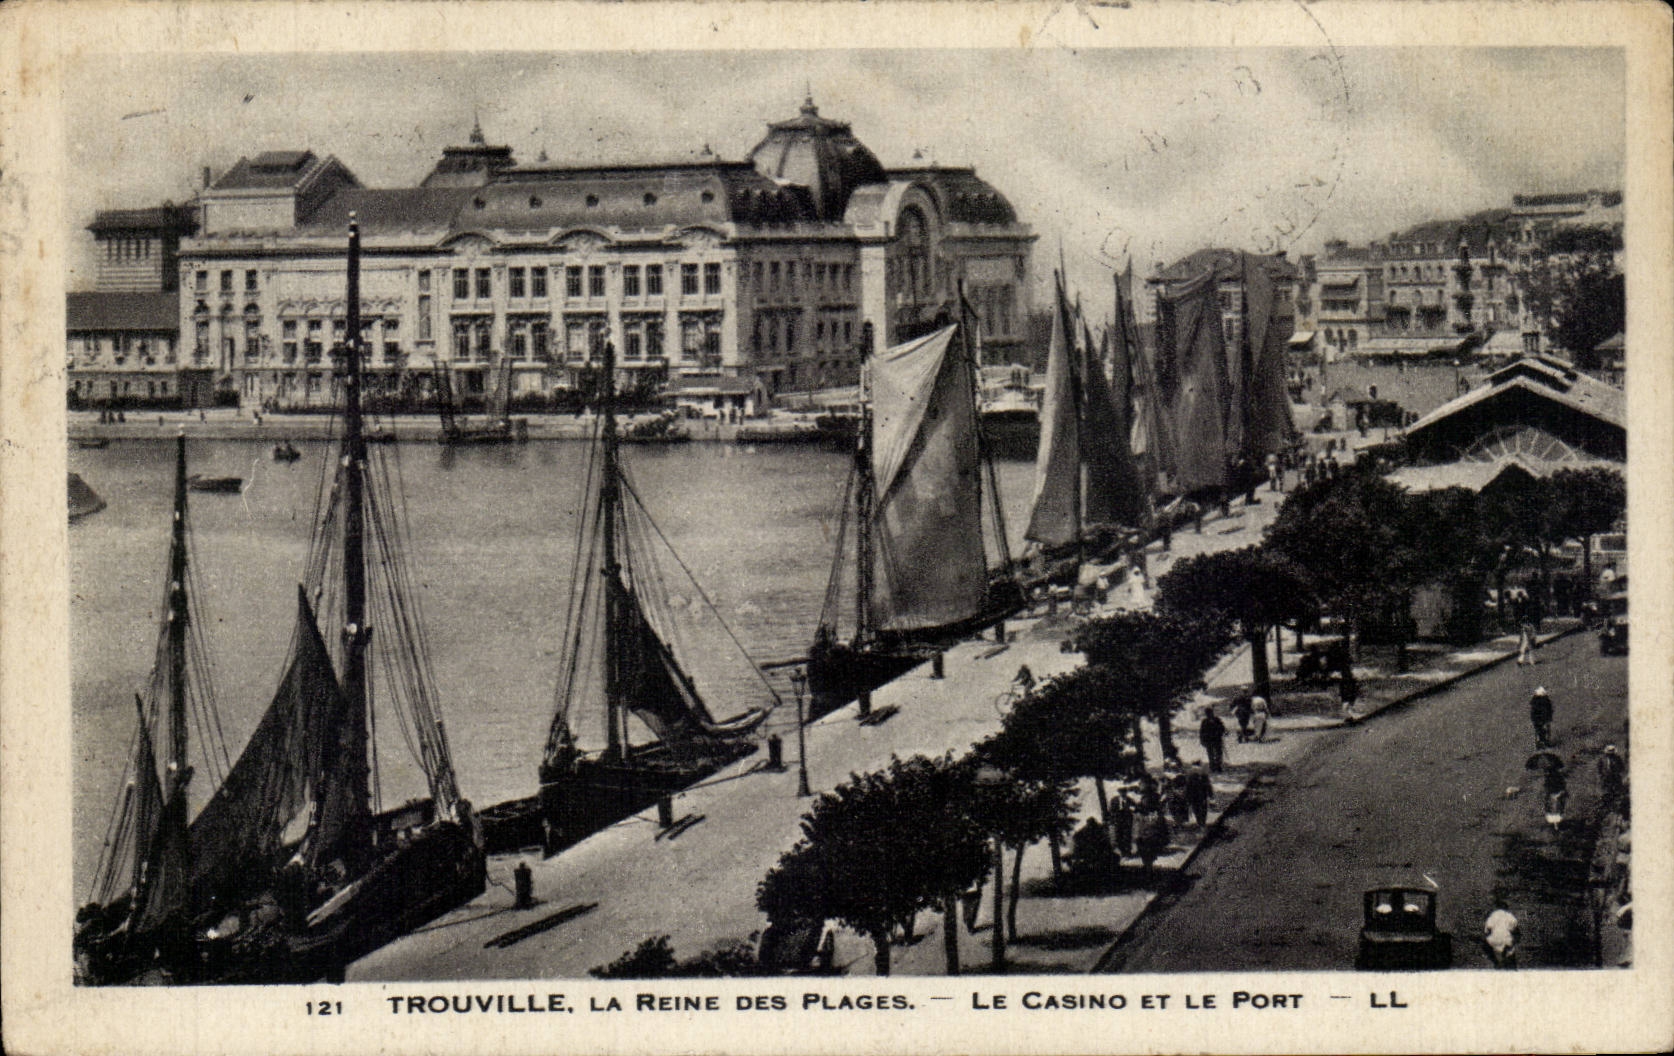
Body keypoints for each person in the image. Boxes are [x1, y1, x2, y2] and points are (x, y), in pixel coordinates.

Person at [1483, 899, 1520, 969]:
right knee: (1510, 954)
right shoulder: (1510, 916)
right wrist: (1514, 941)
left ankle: (1495, 961)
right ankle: (1507, 957)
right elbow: (1516, 930)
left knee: (1486, 944)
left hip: (1494, 940)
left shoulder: (1492, 916)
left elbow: (1487, 931)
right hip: (1507, 940)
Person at [1199, 708, 1228, 772]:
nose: (1209, 714)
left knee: (1219, 753)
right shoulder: (1204, 722)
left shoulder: (1217, 720)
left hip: (1217, 739)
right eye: (1208, 713)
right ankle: (1212, 767)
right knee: (1211, 754)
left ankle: (1218, 766)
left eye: (1210, 713)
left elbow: (1222, 727)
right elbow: (1202, 732)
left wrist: (1224, 732)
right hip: (1209, 740)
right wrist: (1202, 740)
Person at [1598, 745, 1626, 809]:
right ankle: (1607, 805)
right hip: (1606, 777)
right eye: (1609, 753)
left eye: (1612, 754)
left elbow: (1622, 767)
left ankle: (1616, 805)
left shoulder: (1617, 758)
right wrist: (1601, 775)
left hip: (1615, 777)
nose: (1610, 755)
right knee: (1607, 791)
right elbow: (1599, 767)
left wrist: (1617, 772)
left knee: (1616, 791)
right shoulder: (1603, 759)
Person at [1184, 762, 1212, 827]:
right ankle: (1200, 823)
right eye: (1194, 768)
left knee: (1202, 811)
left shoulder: (1204, 777)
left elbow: (1208, 787)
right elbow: (1188, 789)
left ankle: (1202, 823)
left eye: (1198, 768)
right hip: (1195, 798)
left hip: (1202, 797)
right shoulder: (1191, 777)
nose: (1196, 770)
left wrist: (1211, 796)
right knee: (1197, 811)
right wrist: (1188, 799)